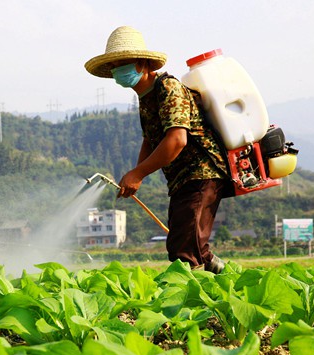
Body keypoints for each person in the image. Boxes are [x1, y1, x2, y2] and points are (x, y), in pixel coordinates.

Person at [84, 26, 230, 274]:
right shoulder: (145, 98)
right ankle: (230, 279)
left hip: (201, 172)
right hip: (183, 179)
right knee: (193, 245)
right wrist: (136, 175)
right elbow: (151, 140)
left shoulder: (167, 88)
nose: (118, 70)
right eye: (115, 65)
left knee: (184, 249)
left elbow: (176, 140)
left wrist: (138, 174)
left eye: (124, 63)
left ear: (142, 63)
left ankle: (194, 307)